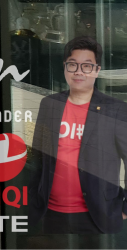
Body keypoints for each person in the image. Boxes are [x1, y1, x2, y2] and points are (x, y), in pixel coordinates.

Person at [27, 36, 127, 235]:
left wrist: (124, 210)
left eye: (87, 66)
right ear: (65, 67)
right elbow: (38, 157)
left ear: (97, 70)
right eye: (72, 64)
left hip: (99, 215)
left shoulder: (114, 109)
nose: (79, 71)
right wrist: (33, 201)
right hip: (50, 212)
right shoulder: (50, 104)